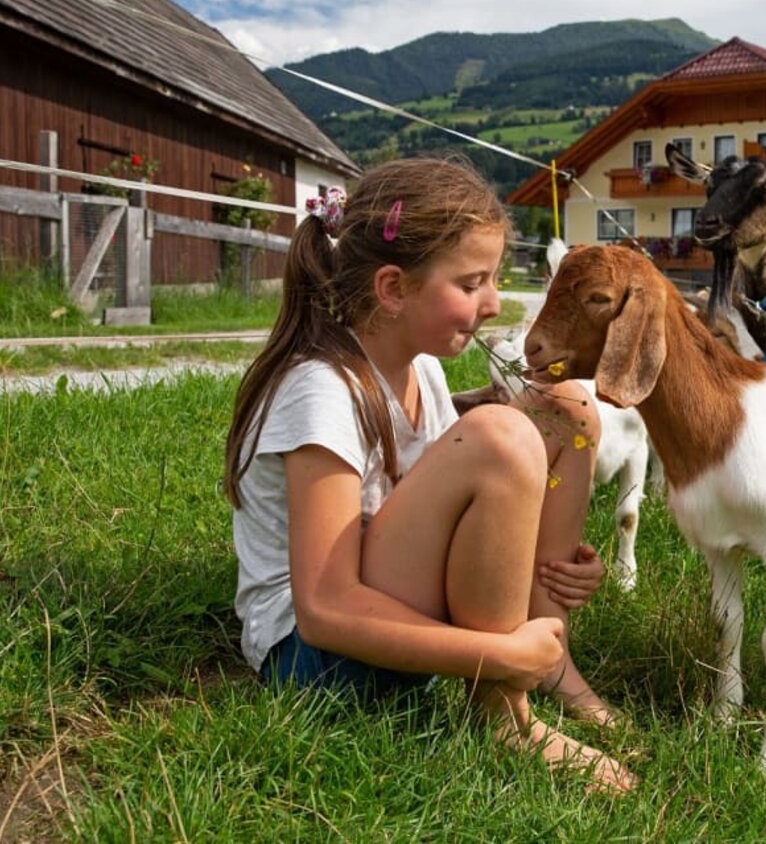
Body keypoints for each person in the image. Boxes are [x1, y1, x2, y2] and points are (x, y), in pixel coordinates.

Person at [223, 156, 634, 792]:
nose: (494, 304)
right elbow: (324, 609)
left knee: (568, 408)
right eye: (472, 284)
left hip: (388, 607)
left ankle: (548, 647)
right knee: (502, 436)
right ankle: (503, 711)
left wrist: (550, 556)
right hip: (320, 661)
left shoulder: (423, 370)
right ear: (392, 289)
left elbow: (460, 505)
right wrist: (490, 654)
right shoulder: (321, 391)